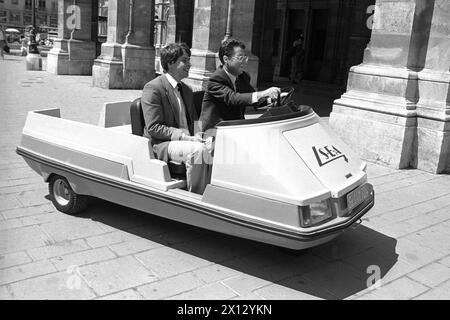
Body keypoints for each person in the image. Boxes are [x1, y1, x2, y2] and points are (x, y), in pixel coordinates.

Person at [141, 42, 212, 195]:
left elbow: (195, 119)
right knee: (198, 151)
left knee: (215, 144)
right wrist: (185, 137)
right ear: (171, 63)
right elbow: (154, 127)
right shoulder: (153, 88)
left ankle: (213, 189)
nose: (189, 64)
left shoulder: (186, 89)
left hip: (187, 140)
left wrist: (199, 135)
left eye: (189, 60)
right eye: (185, 60)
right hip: (163, 143)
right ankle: (197, 198)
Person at [199, 38, 281, 132]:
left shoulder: (242, 77)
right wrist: (264, 93)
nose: (244, 62)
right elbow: (233, 98)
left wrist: (273, 99)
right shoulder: (215, 79)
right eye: (240, 58)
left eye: (244, 57)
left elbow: (253, 99)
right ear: (226, 59)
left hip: (236, 128)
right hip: (214, 132)